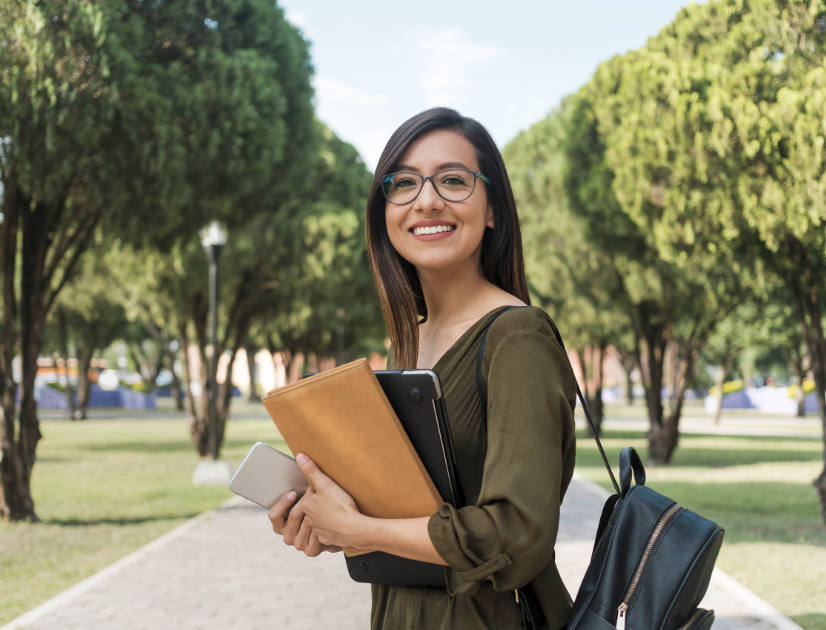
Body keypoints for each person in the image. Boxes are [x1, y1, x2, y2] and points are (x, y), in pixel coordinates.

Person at [268, 107, 577, 630]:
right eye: (404, 183)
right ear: (384, 212)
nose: (427, 199)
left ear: (493, 209)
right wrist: (331, 525)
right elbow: (405, 514)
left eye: (453, 180)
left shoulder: (517, 336)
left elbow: (517, 535)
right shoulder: (407, 343)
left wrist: (363, 530)